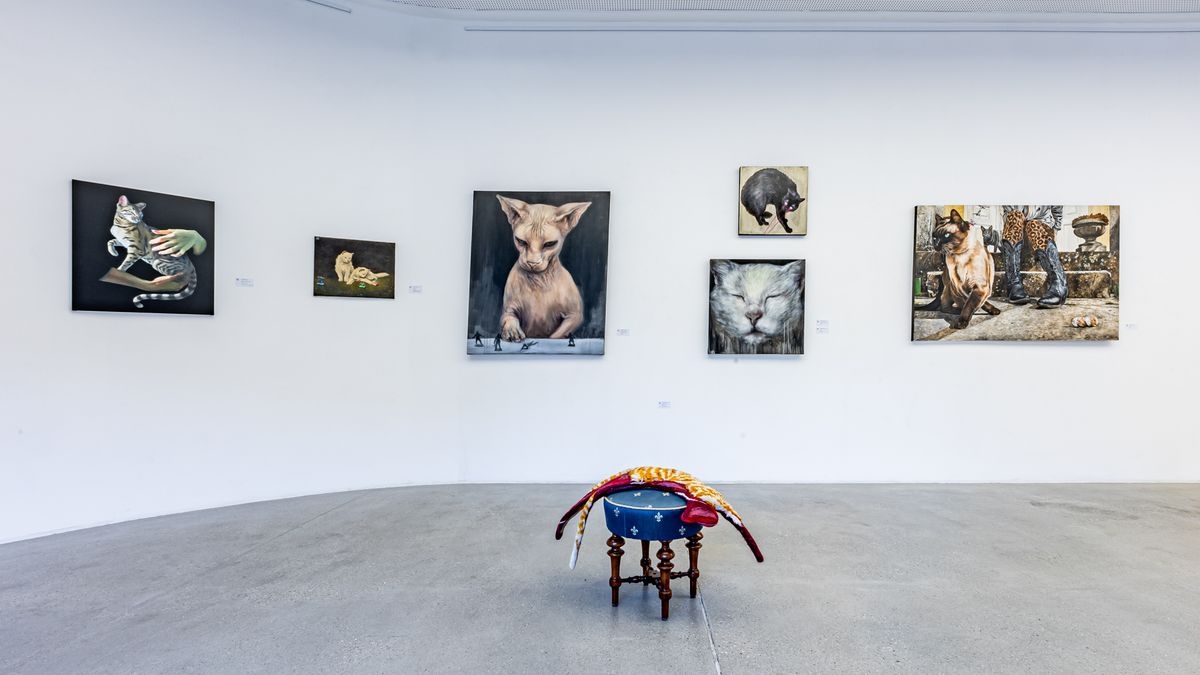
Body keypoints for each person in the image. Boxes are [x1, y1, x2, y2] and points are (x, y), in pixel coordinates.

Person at [1000, 205, 1067, 308]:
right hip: (1016, 233)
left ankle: (1059, 283)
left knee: (1033, 225)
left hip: (1040, 228)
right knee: (1015, 215)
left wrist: (1056, 228)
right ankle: (1013, 283)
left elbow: (1057, 207)